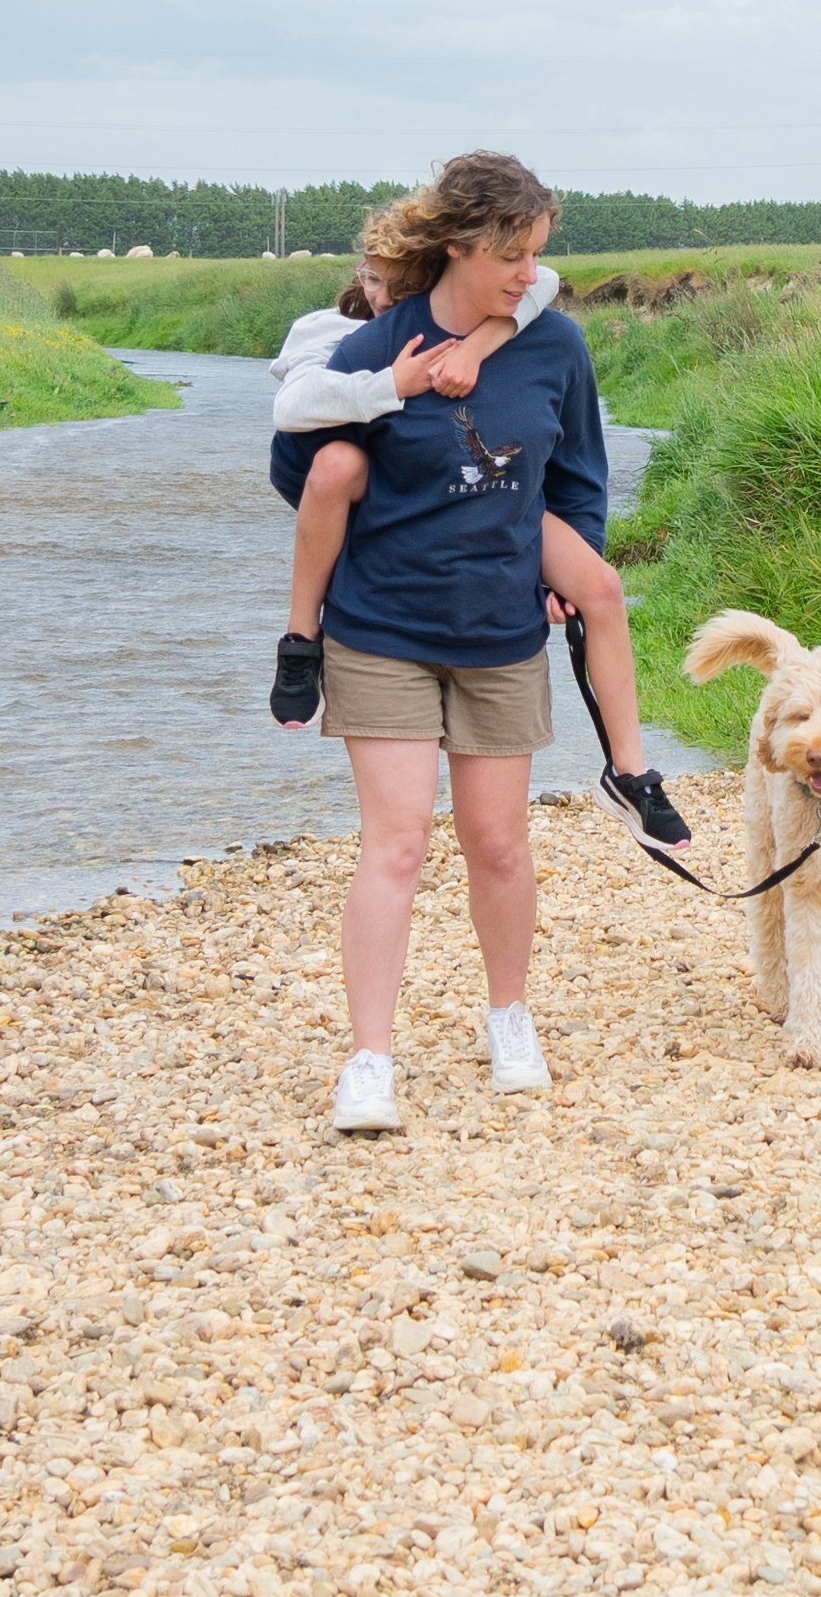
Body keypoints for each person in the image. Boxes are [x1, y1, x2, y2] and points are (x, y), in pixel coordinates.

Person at [275, 151, 631, 1133]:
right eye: (515, 254)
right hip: (383, 626)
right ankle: (370, 1062)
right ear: (463, 245)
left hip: (500, 629)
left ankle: (508, 1015)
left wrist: (564, 567)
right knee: (394, 845)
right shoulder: (374, 344)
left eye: (536, 257)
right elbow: (299, 467)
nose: (529, 272)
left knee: (498, 842)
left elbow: (582, 476)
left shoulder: (552, 343)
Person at [267, 251, 683, 846]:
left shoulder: (511, 322)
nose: (386, 296)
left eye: (402, 283)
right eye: (374, 281)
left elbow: (544, 282)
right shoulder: (334, 333)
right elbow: (291, 432)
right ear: (358, 276)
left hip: (499, 508)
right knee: (335, 465)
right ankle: (300, 638)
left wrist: (477, 345)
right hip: (385, 498)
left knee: (601, 585)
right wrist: (391, 386)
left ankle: (630, 772)